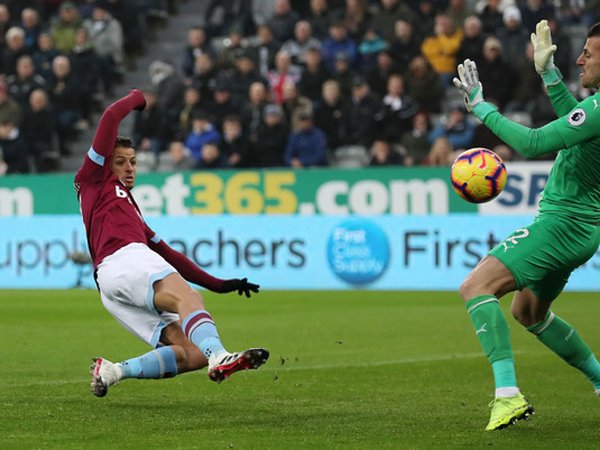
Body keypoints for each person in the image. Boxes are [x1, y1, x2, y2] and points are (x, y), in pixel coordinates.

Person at [452, 20, 600, 431]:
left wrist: (481, 107)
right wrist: (550, 77)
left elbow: (534, 144)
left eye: (589, 51)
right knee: (529, 312)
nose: (580, 58)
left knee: (475, 287)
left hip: (562, 224)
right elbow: (579, 123)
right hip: (584, 229)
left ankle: (507, 396)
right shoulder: (595, 110)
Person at [75, 89, 269, 398]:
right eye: (121, 162)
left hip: (111, 285)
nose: (129, 168)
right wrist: (137, 97)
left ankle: (114, 371)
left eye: (134, 162)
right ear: (105, 164)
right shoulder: (94, 179)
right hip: (124, 260)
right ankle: (220, 355)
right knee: (185, 297)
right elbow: (111, 115)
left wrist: (219, 284)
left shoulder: (130, 212)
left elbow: (168, 253)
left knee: (191, 351)